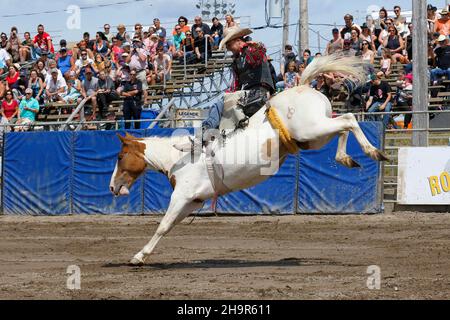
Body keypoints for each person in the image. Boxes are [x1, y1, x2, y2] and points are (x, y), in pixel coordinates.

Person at [174, 26, 275, 151]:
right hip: (248, 95)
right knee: (221, 106)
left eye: (228, 44)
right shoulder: (236, 61)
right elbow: (236, 86)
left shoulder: (252, 50)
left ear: (238, 41)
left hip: (259, 94)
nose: (227, 48)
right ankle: (211, 140)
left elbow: (259, 53)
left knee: (220, 104)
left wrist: (253, 46)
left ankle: (200, 139)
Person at [126, 38, 149, 104]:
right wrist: (131, 52)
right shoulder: (131, 52)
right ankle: (134, 101)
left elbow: (143, 59)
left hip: (140, 71)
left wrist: (138, 51)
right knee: (133, 87)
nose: (135, 43)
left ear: (140, 43)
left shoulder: (143, 50)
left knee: (144, 86)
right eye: (134, 42)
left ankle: (145, 100)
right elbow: (127, 61)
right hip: (132, 73)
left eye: (137, 42)